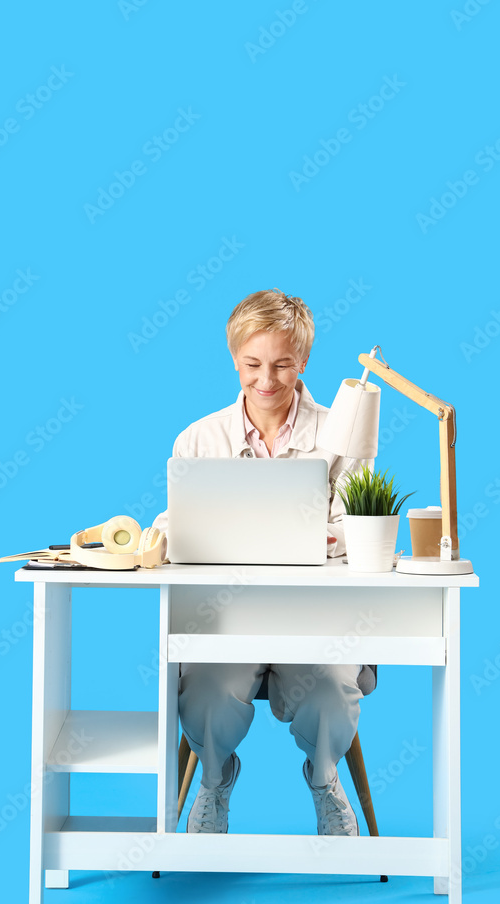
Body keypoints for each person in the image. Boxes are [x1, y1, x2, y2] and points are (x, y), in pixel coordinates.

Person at [152, 289, 375, 836]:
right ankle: (215, 780)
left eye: (282, 364)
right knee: (205, 695)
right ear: (234, 359)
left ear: (304, 361)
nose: (267, 379)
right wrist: (158, 536)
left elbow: (362, 523)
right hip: (228, 622)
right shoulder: (199, 438)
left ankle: (325, 781)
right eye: (253, 364)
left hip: (316, 620)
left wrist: (321, 538)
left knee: (328, 694)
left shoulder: (341, 433)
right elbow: (174, 521)